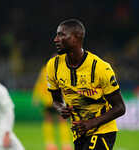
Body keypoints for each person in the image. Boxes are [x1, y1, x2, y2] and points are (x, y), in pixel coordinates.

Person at [46, 19, 126, 150]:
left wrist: (91, 123)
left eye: (61, 35)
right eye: (57, 34)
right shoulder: (53, 66)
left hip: (102, 131)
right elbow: (56, 100)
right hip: (79, 132)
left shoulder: (100, 68)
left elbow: (120, 107)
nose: (56, 39)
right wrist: (61, 108)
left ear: (76, 38)